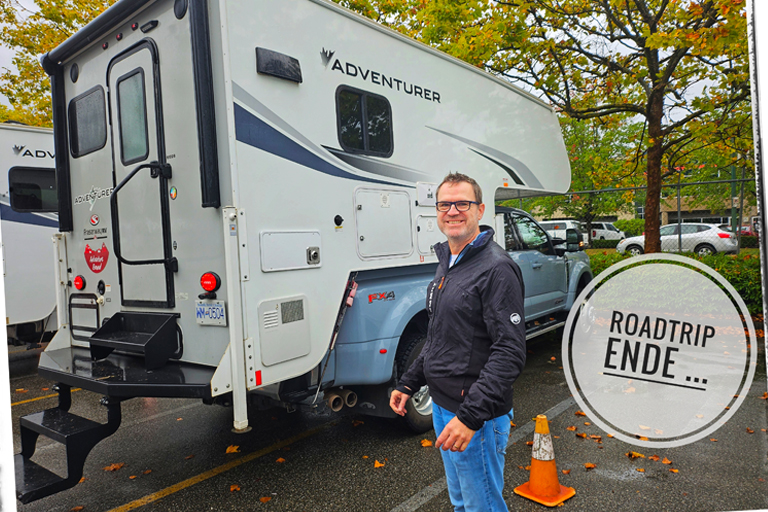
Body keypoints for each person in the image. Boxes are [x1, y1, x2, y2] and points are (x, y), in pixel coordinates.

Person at [390, 172, 526, 512]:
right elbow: (439, 336)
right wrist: (409, 383)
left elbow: (509, 351)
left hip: (475, 416)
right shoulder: (448, 262)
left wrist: (470, 417)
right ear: (436, 212)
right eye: (445, 204)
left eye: (462, 203)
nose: (453, 211)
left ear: (480, 210)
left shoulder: (496, 268)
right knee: (463, 502)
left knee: (483, 505)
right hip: (443, 406)